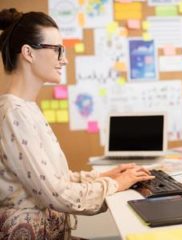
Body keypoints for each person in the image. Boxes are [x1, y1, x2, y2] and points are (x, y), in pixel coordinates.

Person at [0, 8, 154, 239]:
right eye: (58, 50)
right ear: (28, 53)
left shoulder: (26, 108)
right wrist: (116, 184)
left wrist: (108, 176)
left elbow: (56, 178)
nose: (65, 59)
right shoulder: (13, 113)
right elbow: (57, 194)